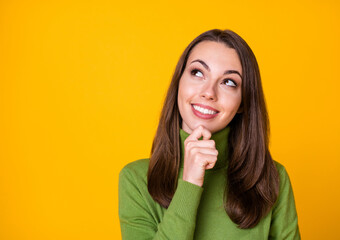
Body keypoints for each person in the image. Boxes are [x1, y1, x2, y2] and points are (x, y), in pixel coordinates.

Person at [118, 29, 300, 239]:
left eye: (228, 82)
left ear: (243, 102)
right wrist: (190, 184)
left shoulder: (270, 179)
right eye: (197, 73)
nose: (209, 92)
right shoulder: (136, 180)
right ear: (179, 81)